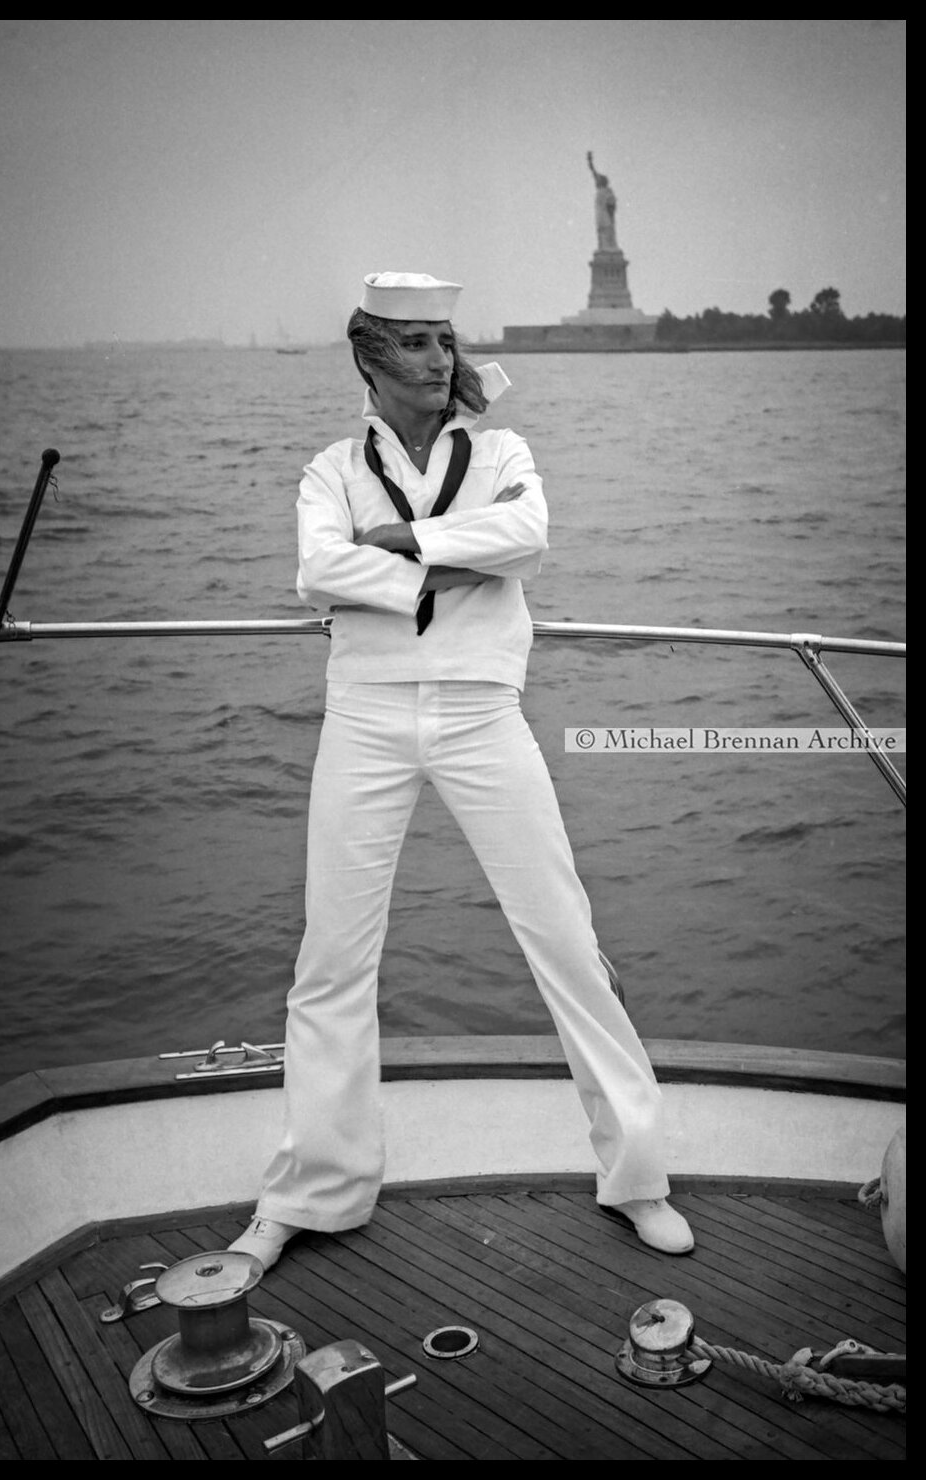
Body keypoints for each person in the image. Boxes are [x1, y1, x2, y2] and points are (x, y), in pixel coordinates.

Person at [229, 271, 693, 1269]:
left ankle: (638, 1175)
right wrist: (457, 557)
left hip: (486, 712)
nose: (440, 359)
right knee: (332, 963)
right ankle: (314, 1192)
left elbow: (527, 536)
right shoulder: (328, 471)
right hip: (368, 716)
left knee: (566, 938)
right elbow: (320, 571)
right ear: (369, 354)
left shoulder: (504, 451)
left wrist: (401, 543)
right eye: (415, 342)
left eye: (446, 340)